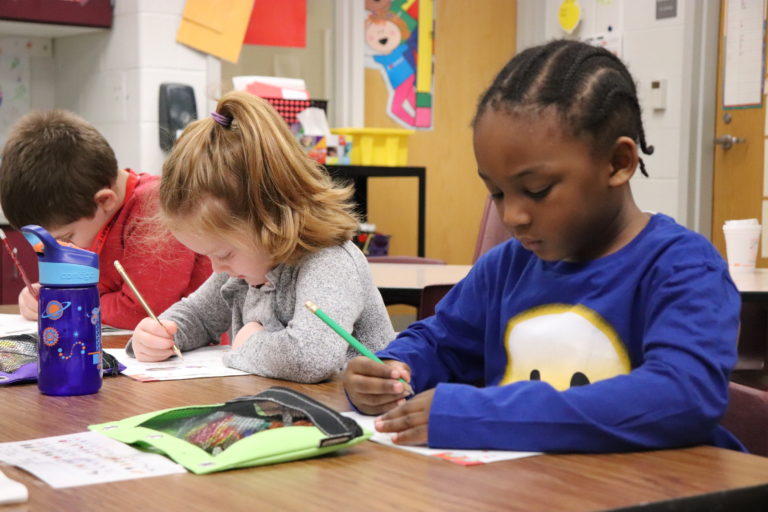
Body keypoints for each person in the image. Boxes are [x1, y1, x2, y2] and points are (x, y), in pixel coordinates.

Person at [343, 39, 744, 452]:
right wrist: (391, 370)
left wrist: (484, 416)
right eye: (497, 193)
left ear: (618, 163)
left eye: (537, 190)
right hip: (532, 480)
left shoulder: (682, 267)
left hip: (657, 483)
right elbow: (439, 341)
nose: (512, 216)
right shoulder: (505, 268)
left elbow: (682, 397)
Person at [128, 91, 395, 384]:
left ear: (271, 217)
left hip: (350, 409)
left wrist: (248, 345)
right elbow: (199, 316)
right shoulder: (247, 265)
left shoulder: (329, 262)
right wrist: (159, 335)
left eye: (224, 254)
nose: (217, 267)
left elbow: (311, 357)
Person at [0, 110, 212, 329]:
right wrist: (42, 296)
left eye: (66, 237)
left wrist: (63, 305)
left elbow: (139, 311)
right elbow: (85, 289)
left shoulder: (155, 209)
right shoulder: (91, 217)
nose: (61, 250)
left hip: (187, 349)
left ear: (104, 200)